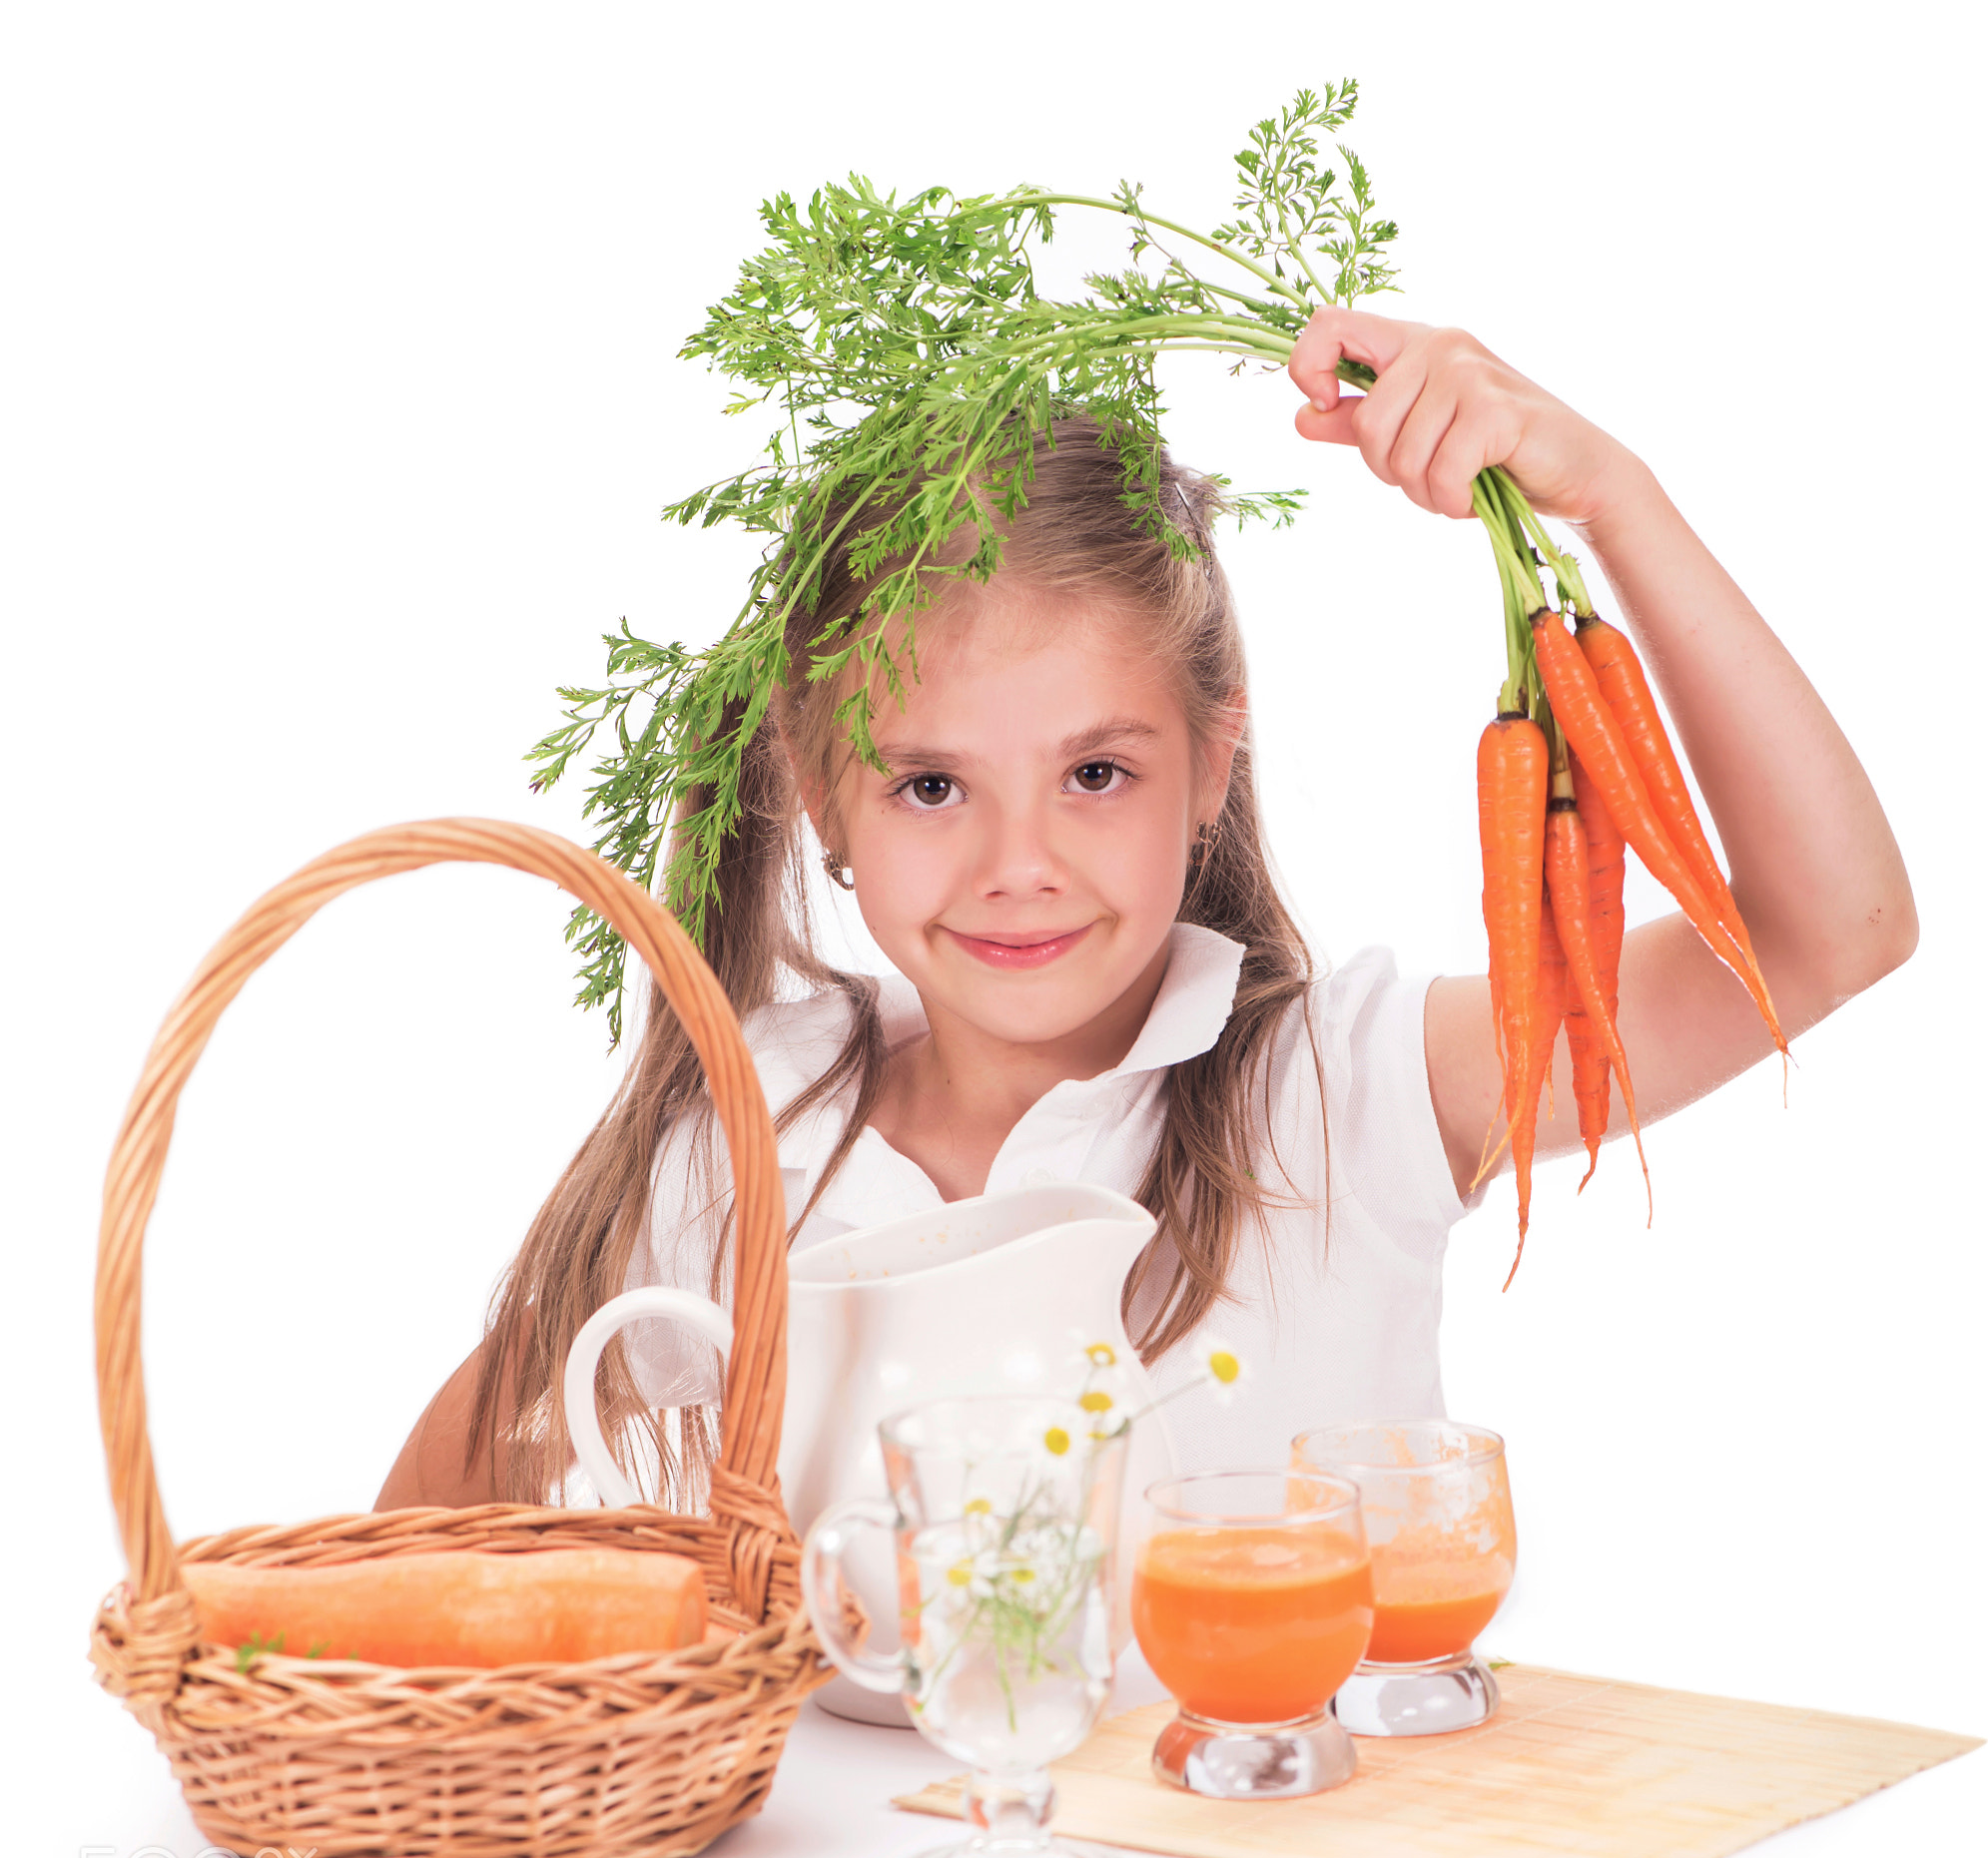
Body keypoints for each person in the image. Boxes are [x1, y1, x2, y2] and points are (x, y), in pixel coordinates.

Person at [376, 307, 1916, 1514]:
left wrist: (1614, 501)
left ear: (1208, 762)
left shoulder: (1347, 1088)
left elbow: (1828, 931)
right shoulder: (745, 1118)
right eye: (930, 787)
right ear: (821, 786)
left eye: (1096, 773)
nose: (1017, 862)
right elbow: (412, 1541)